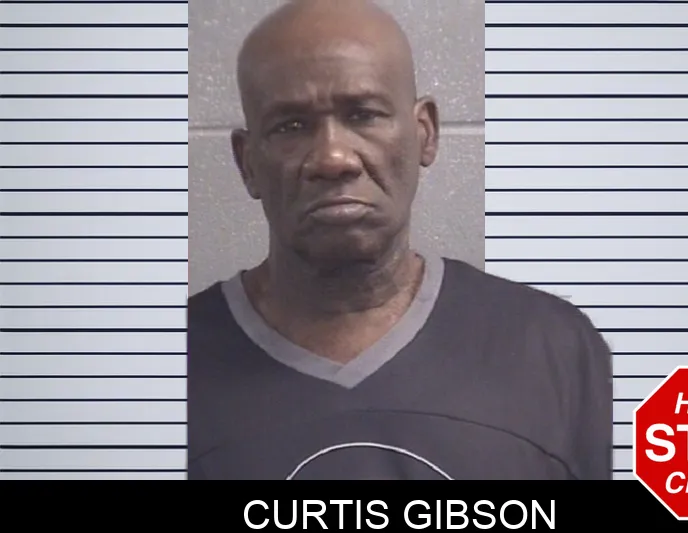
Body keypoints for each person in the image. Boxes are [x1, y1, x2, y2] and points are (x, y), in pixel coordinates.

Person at [188, 0, 612, 480]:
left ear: (424, 133)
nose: (333, 159)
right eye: (291, 126)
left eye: (363, 115)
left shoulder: (555, 348)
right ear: (247, 162)